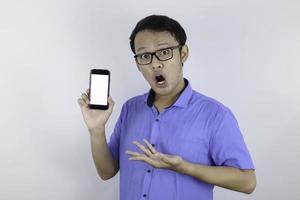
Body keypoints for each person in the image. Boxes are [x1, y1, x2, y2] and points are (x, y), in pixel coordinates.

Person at [78, 14, 256, 200]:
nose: (155, 64)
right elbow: (107, 172)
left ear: (183, 54)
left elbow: (247, 182)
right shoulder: (130, 108)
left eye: (164, 52)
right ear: (138, 64)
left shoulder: (216, 115)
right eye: (145, 56)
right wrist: (96, 129)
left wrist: (185, 167)